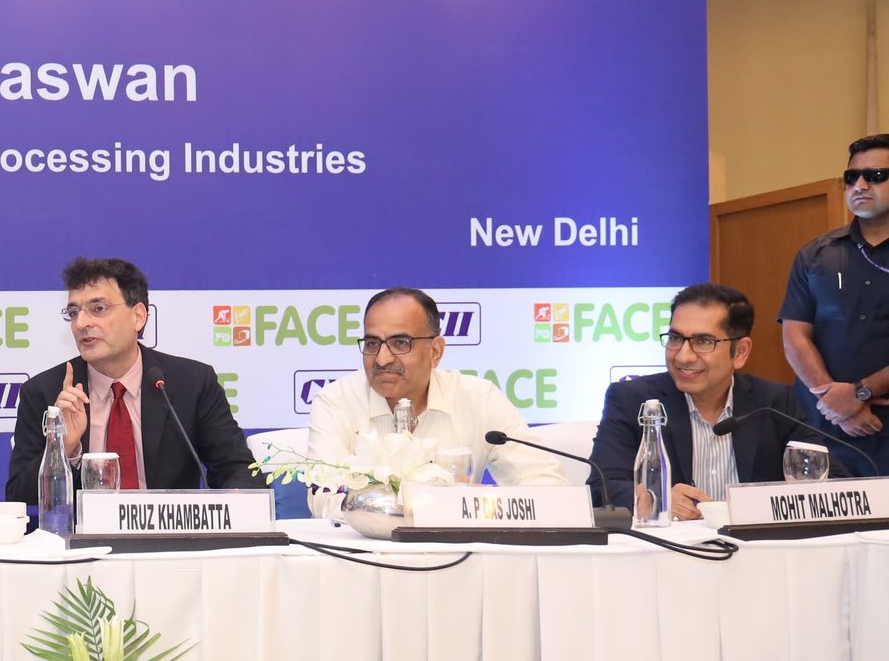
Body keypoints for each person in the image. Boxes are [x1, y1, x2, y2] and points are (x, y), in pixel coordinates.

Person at [7, 256, 260, 502]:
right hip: (83, 532)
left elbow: (238, 469)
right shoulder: (45, 392)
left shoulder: (192, 384)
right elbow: (19, 495)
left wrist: (239, 497)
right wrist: (64, 450)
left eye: (98, 308)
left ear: (138, 316)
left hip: (168, 530)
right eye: (73, 312)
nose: (81, 323)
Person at [303, 286, 561, 516]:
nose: (381, 359)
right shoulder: (336, 402)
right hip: (366, 550)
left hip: (460, 552)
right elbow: (325, 498)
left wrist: (483, 506)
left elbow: (546, 485)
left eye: (400, 343)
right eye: (372, 344)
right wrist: (441, 506)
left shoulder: (480, 399)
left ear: (435, 352)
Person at [591, 283, 815, 518]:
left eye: (704, 341)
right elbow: (601, 486)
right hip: (669, 541)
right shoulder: (632, 399)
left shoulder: (776, 404)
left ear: (740, 351)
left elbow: (827, 479)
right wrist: (657, 499)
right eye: (675, 338)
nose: (683, 356)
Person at [779, 133, 889, 469]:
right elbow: (795, 336)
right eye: (851, 177)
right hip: (823, 429)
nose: (860, 185)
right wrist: (835, 402)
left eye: (875, 176)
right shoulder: (816, 254)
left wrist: (859, 393)